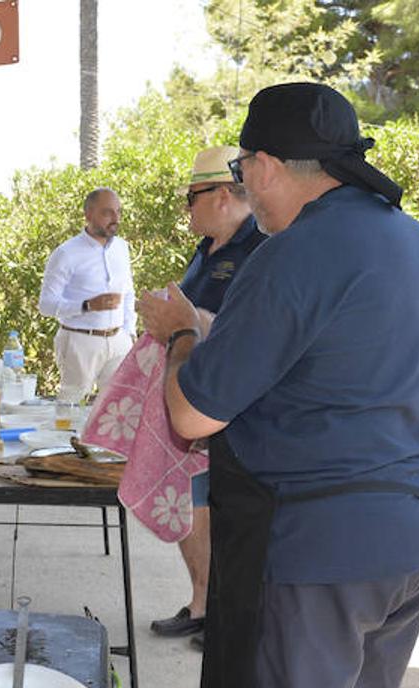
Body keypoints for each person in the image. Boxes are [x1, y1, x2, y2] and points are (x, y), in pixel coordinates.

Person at [142, 83, 419, 688]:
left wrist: (179, 331)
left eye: (246, 173)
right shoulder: (416, 243)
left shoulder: (295, 253)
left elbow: (192, 411)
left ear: (271, 166)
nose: (247, 192)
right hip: (417, 535)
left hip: (321, 546)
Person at [146, 146, 267, 643]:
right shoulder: (207, 249)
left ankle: (229, 616)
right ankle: (202, 603)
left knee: (231, 516)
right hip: (194, 398)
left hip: (233, 407)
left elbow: (254, 330)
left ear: (222, 194)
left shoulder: (260, 248)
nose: (186, 208)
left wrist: (187, 323)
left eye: (191, 197)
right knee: (193, 505)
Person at [39, 188, 137, 401]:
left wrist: (129, 333)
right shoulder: (66, 253)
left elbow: (128, 293)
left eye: (118, 212)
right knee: (72, 405)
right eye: (108, 212)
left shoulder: (122, 248)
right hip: (80, 341)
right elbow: (46, 304)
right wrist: (87, 305)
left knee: (119, 408)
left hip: (119, 341)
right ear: (89, 214)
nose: (116, 218)